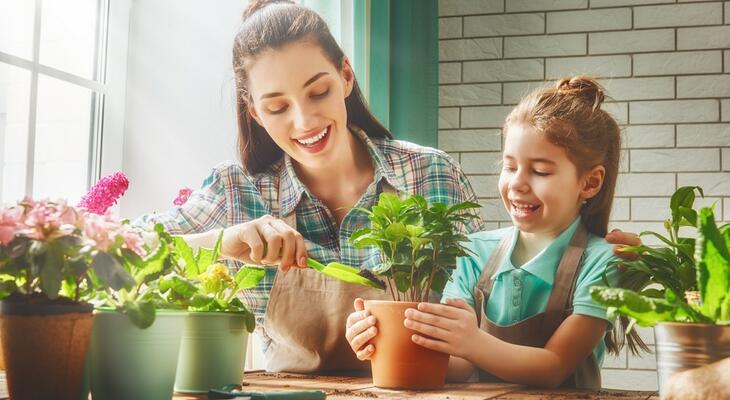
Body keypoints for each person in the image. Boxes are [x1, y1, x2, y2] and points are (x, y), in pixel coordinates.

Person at [140, 0, 641, 374]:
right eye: (276, 106)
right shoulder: (236, 191)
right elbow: (115, 253)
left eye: (318, 91)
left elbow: (472, 325)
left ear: (346, 76)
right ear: (253, 111)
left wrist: (585, 254)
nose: (304, 119)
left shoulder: (430, 177)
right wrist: (218, 242)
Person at [345, 76, 645, 388]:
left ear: (590, 183)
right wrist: (380, 339)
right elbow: (458, 366)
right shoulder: (473, 252)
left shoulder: (604, 262)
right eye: (510, 166)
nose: (517, 183)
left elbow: (555, 366)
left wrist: (473, 342)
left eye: (540, 171)